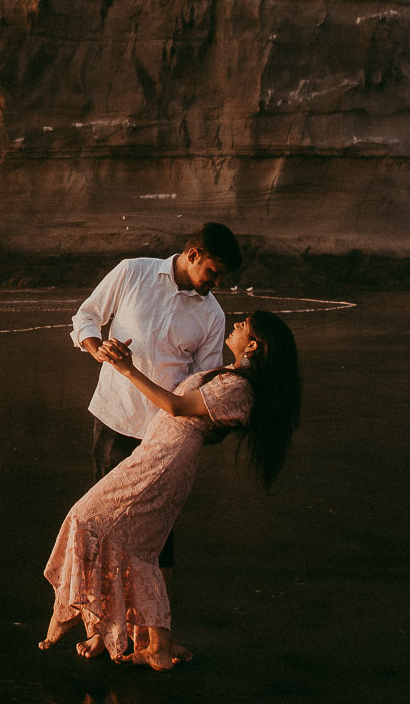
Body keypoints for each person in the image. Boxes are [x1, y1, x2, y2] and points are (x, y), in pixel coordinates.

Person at [41, 308, 302, 669]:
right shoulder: (233, 379)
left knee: (87, 517)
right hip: (160, 453)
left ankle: (78, 611)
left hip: (163, 463)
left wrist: (128, 369)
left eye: (245, 327)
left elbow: (178, 407)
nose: (237, 324)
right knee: (140, 547)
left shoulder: (238, 387)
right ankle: (150, 642)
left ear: (253, 345)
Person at [71, 223, 242, 572]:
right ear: (193, 255)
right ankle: (102, 607)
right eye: (213, 272)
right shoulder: (133, 271)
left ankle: (149, 617)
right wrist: (97, 348)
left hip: (164, 436)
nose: (217, 284)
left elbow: (201, 383)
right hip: (114, 416)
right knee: (103, 519)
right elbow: (86, 317)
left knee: (157, 531)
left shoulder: (212, 315)